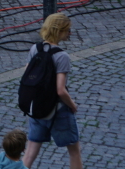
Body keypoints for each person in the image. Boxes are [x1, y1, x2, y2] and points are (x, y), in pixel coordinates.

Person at [20, 14, 80, 169]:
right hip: (58, 111)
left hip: (36, 107)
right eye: (67, 30)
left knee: (30, 152)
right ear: (59, 31)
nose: (69, 33)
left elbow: (27, 77)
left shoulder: (35, 48)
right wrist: (72, 105)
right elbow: (60, 90)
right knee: (74, 151)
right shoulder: (62, 56)